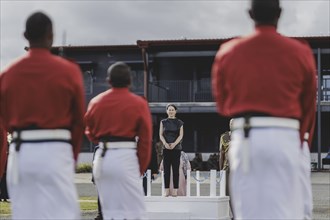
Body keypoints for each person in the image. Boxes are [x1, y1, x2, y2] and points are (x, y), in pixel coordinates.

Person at [211, 0, 316, 219]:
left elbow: (222, 104)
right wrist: (301, 139)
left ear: (250, 14)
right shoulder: (300, 51)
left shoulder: (229, 51)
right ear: (280, 13)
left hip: (247, 135)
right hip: (286, 134)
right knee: (288, 210)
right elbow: (308, 105)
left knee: (248, 212)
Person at [0, 12, 85, 219]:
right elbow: (78, 121)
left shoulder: (8, 74)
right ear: (51, 35)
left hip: (21, 151)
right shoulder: (69, 71)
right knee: (62, 213)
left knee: (26, 214)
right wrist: (71, 157)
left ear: (25, 35)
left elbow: (4, 120)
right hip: (56, 149)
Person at [84, 62, 152, 219]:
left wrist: (100, 140)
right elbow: (145, 139)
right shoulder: (138, 103)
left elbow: (89, 131)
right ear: (130, 80)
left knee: (109, 212)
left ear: (109, 80)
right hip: (126, 154)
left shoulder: (96, 102)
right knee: (136, 212)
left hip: (102, 155)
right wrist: (139, 168)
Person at [159, 104, 184, 197]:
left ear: (175, 111)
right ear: (166, 111)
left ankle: (175, 190)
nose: (171, 111)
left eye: (172, 110)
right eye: (169, 110)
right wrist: (165, 143)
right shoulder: (163, 122)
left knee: (175, 169)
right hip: (166, 148)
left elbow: (181, 135)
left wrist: (174, 144)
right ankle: (166, 189)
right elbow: (161, 134)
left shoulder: (179, 122)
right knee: (166, 169)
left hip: (176, 148)